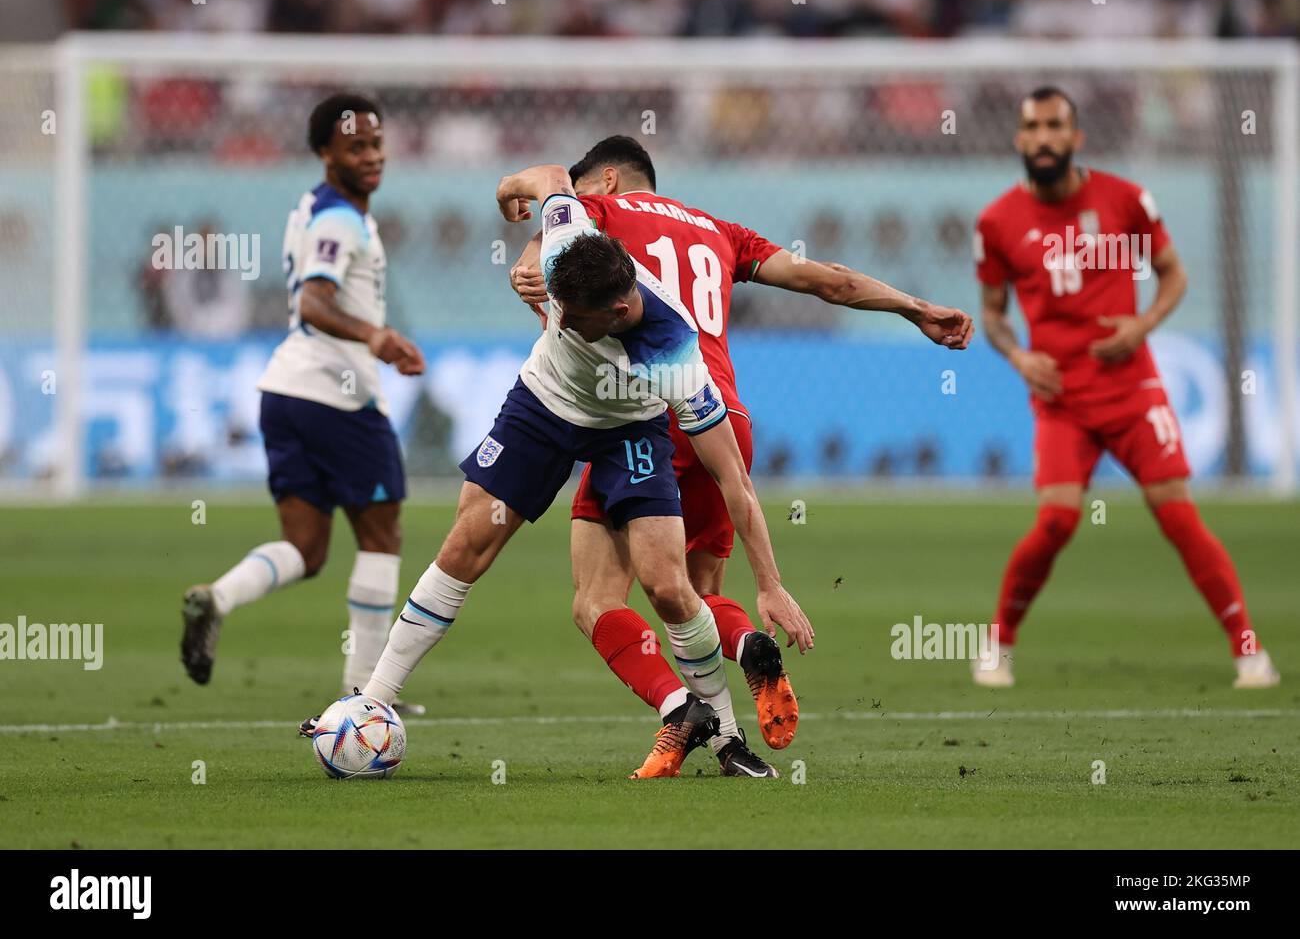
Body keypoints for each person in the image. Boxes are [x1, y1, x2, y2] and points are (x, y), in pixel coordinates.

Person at [307, 164, 811, 779]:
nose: (562, 322)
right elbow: (547, 175)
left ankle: (728, 740)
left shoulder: (675, 356)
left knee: (668, 586)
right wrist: (505, 197)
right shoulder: (568, 240)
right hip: (543, 407)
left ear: (622, 307)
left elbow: (735, 480)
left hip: (632, 426)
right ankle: (375, 697)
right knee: (468, 544)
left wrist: (768, 582)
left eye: (576, 316)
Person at [509, 136, 973, 773]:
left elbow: (554, 226)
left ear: (608, 183)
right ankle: (740, 704)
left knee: (598, 601)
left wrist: (529, 257)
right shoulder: (720, 232)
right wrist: (916, 307)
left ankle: (685, 717)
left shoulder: (601, 217)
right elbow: (827, 282)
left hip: (645, 417)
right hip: (726, 421)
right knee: (695, 597)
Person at [973, 85, 1278, 688]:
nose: (1043, 137)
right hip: (1061, 397)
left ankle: (1249, 650)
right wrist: (1018, 357)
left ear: (1076, 136)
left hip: (1132, 389)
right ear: (1019, 138)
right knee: (1057, 522)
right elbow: (992, 312)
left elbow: (1174, 276)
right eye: (1032, 126)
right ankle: (998, 644)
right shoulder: (998, 221)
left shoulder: (1126, 201)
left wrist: (1144, 323)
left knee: (1179, 516)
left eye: (1055, 125)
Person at [181, 94, 430, 714]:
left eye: (376, 144)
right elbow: (316, 301)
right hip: (334, 395)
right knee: (381, 535)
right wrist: (375, 336)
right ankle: (364, 698)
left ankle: (218, 597)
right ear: (326, 153)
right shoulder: (339, 218)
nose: (372, 157)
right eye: (356, 147)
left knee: (307, 547)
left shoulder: (312, 209)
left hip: (284, 393)